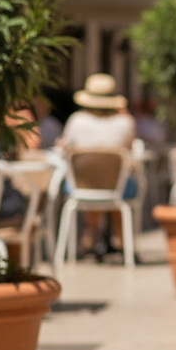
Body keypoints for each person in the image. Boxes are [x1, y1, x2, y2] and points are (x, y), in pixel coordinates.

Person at [58, 74, 136, 255]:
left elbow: (63, 148)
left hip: (81, 187)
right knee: (118, 185)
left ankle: (90, 236)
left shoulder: (76, 121)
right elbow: (130, 150)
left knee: (92, 182)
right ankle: (121, 239)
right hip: (116, 187)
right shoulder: (124, 122)